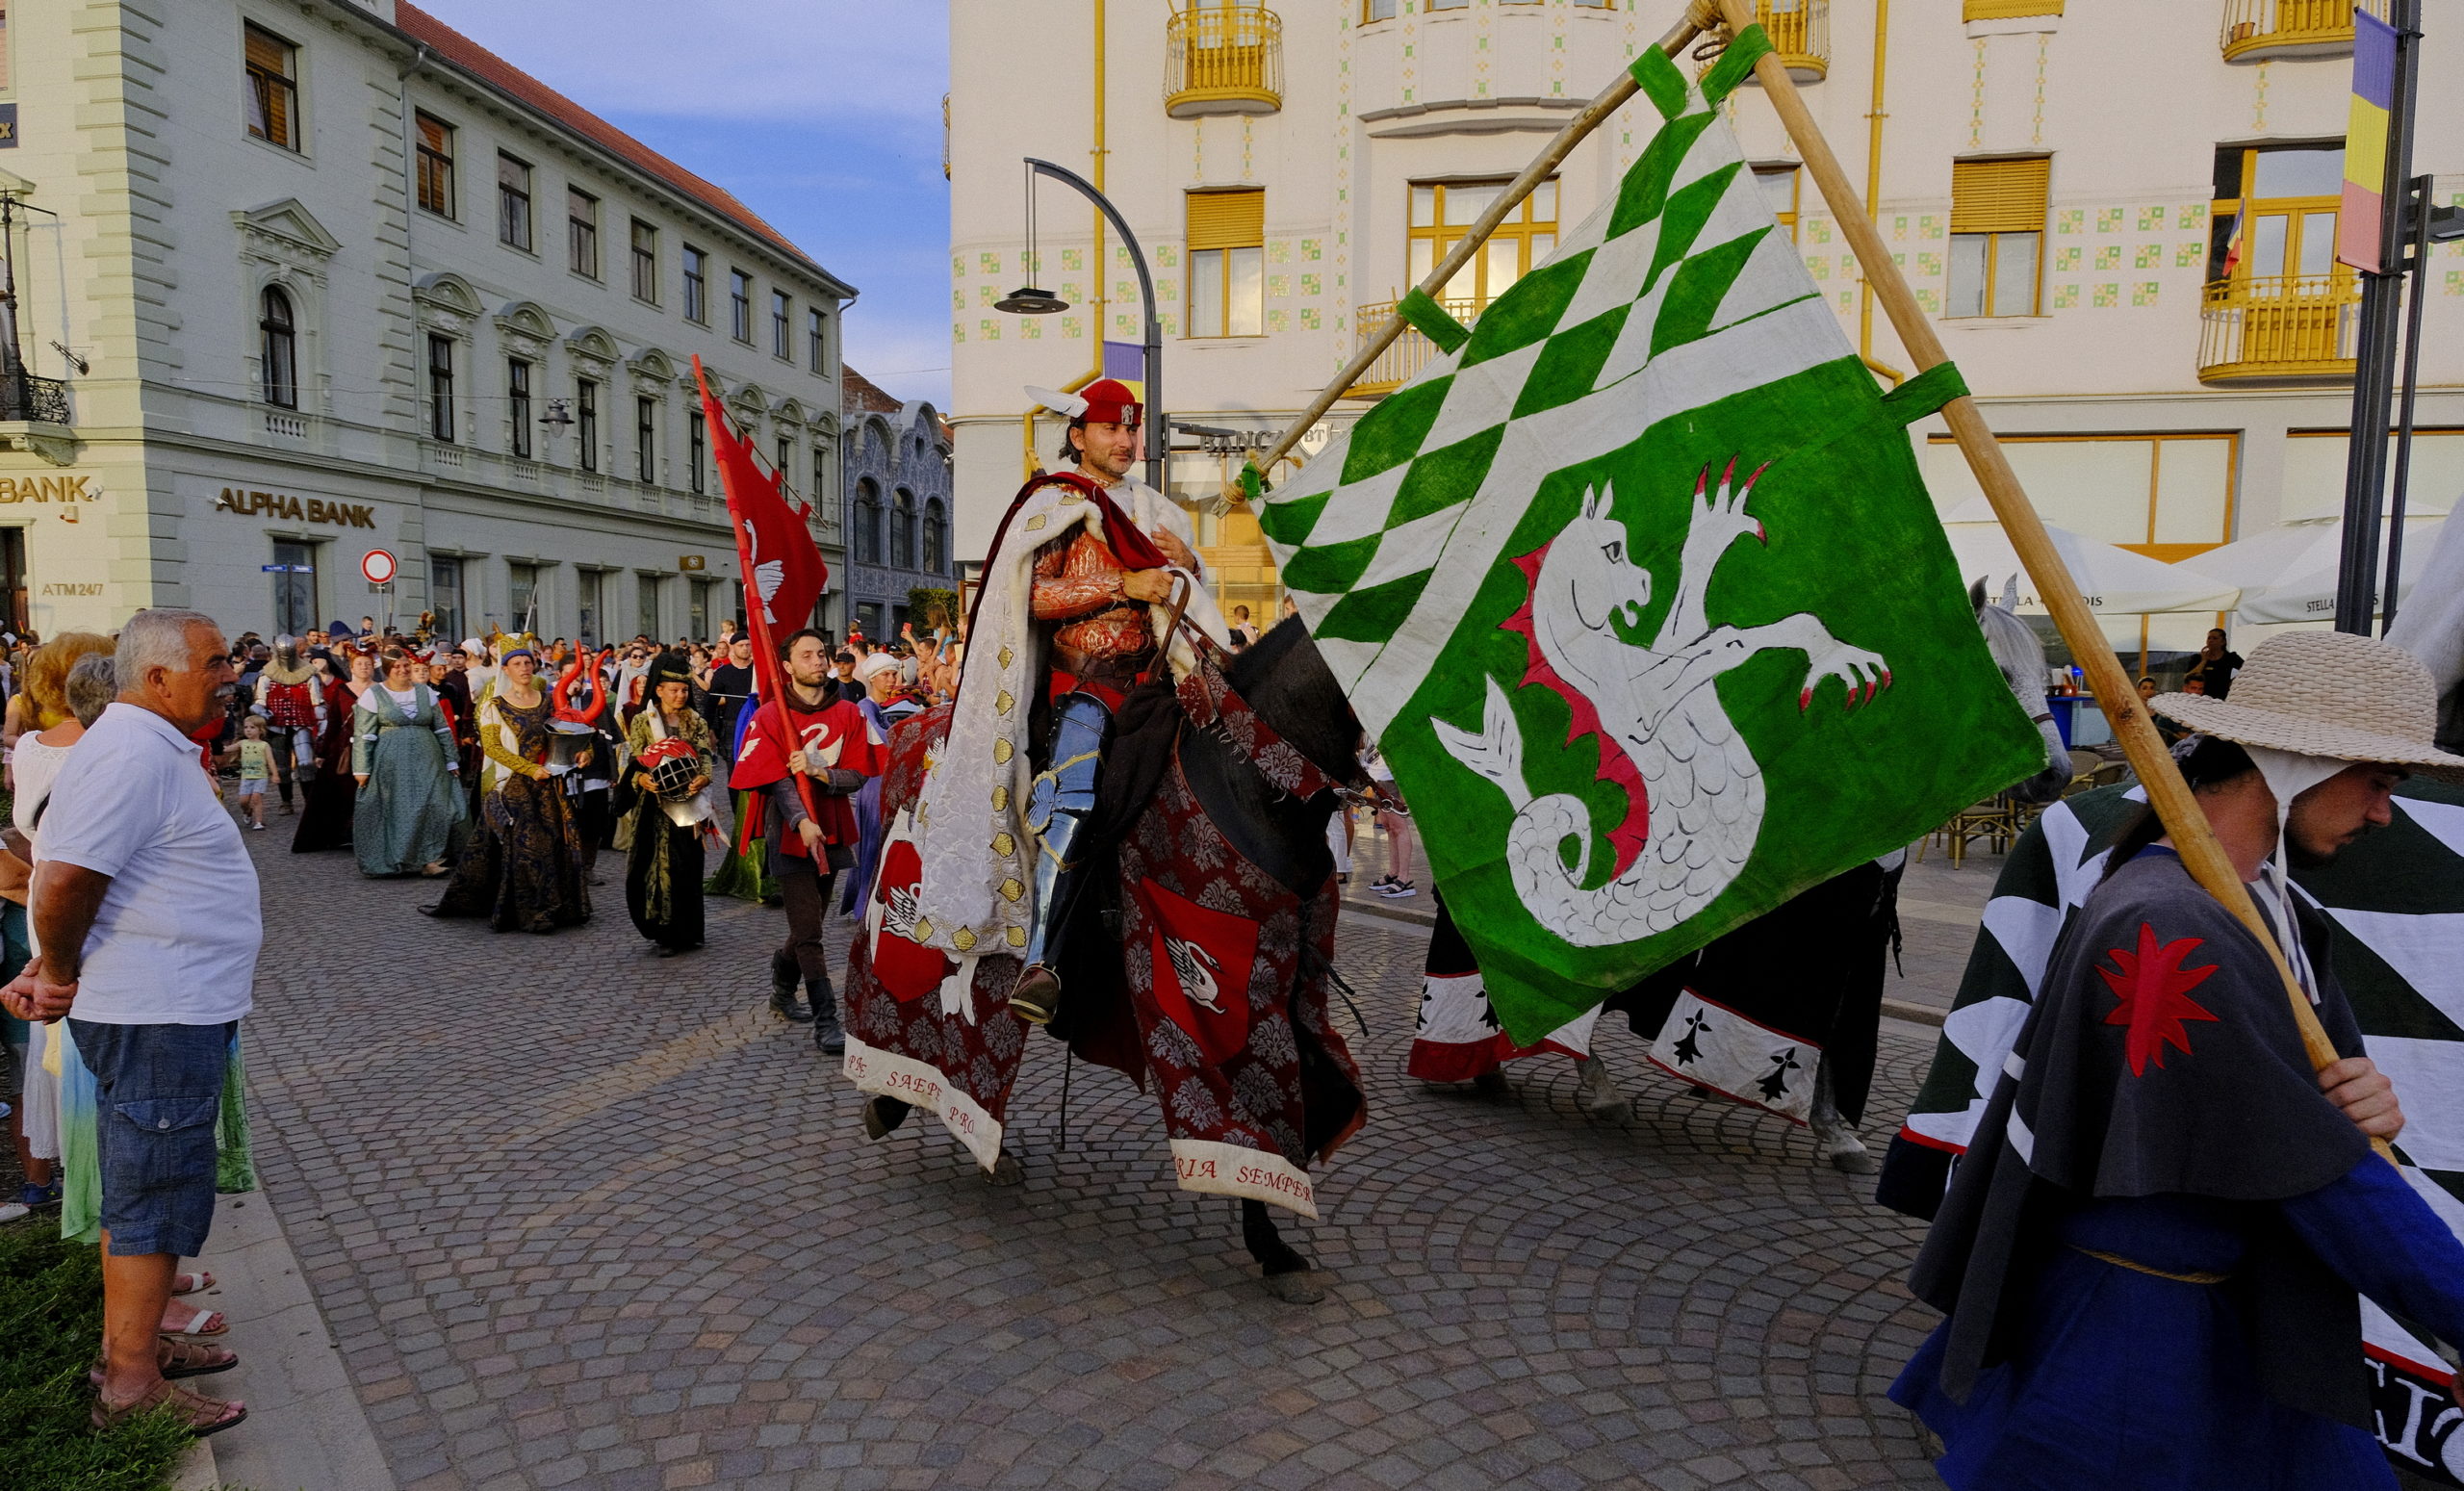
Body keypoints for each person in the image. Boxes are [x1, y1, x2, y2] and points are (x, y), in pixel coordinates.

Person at [1890, 630, 2464, 1489]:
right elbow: (2316, 1171)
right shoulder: (2169, 927)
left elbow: (2309, 1115)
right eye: (2375, 781)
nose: (2385, 812)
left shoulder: (2265, 906)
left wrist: (2361, 1100)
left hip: (2229, 1319)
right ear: (2296, 765)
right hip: (2134, 1345)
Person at [1, 609, 256, 1435]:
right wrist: (60, 969)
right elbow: (67, 878)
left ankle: (138, 1349)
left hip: (168, 1007)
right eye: (215, 662)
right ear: (157, 677)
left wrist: (49, 965)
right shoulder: (132, 754)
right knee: (154, 1195)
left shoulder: (142, 747)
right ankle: (131, 1381)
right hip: (157, 1014)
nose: (231, 672)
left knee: (153, 1189)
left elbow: (78, 875)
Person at [908, 376, 1219, 1027]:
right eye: (1112, 428)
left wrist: (1189, 563)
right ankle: (1043, 961)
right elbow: (1031, 595)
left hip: (1153, 685)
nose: (1126, 440)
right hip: (1082, 687)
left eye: (1132, 428)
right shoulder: (1055, 504)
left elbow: (1185, 592)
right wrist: (1120, 584)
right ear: (1079, 435)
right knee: (1071, 802)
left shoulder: (1159, 512)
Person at [731, 628, 883, 1047]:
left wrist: (821, 773)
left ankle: (781, 988)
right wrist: (800, 820)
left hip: (832, 828)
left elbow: (857, 774)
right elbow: (774, 779)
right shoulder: (771, 715)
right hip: (791, 834)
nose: (817, 662)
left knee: (806, 924)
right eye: (807, 656)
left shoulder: (850, 714)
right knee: (810, 932)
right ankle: (827, 1021)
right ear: (787, 665)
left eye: (822, 654)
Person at [424, 645, 591, 933]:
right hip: (516, 783)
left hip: (551, 781)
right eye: (518, 664)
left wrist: (585, 752)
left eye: (529, 662)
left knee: (557, 842)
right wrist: (529, 769)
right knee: (529, 846)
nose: (525, 668)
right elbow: (493, 748)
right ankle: (534, 911)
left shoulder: (550, 701)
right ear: (506, 669)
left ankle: (561, 905)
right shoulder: (495, 705)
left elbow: (571, 733)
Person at [621, 654, 718, 956]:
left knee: (690, 865)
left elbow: (704, 754)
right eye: (674, 690)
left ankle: (690, 930)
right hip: (656, 807)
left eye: (685, 690)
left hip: (690, 802)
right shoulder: (642, 721)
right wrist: (641, 781)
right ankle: (665, 932)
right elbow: (636, 759)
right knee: (662, 866)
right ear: (658, 690)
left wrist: (704, 777)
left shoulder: (695, 719)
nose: (680, 695)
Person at [350, 646, 464, 877]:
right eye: (396, 667)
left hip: (428, 757)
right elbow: (364, 734)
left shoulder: (425, 692)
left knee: (433, 804)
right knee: (398, 808)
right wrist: (361, 768)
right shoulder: (374, 695)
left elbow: (442, 728)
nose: (402, 670)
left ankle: (429, 859)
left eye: (405, 665)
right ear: (387, 670)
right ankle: (399, 858)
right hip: (391, 760)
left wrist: (452, 760)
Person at [291, 649, 368, 853]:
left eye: (368, 664)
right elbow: (333, 722)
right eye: (360, 664)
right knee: (343, 791)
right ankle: (345, 833)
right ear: (351, 668)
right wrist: (322, 753)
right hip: (345, 748)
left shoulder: (381, 690)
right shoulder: (343, 690)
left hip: (374, 746)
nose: (364, 667)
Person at [250, 636, 323, 814]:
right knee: (282, 767)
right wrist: (261, 712)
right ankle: (286, 802)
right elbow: (259, 702)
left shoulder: (308, 674)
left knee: (306, 764)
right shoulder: (266, 675)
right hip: (276, 725)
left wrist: (322, 724)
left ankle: (310, 802)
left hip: (301, 723)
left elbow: (317, 702)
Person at [225, 717, 273, 831]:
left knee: (256, 798)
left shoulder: (264, 745)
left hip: (260, 776)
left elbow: (270, 760)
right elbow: (229, 749)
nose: (248, 730)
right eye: (246, 727)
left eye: (252, 727)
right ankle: (247, 812)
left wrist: (275, 774)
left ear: (260, 730)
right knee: (243, 801)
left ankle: (259, 822)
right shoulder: (242, 743)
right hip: (246, 777)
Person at [2186, 628, 2245, 700]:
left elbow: (2247, 670)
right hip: (2199, 697)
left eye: (2215, 638)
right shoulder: (2197, 658)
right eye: (2209, 638)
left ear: (2223, 642)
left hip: (2222, 697)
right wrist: (2203, 661)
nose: (2211, 641)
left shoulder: (2231, 657)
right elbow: (2188, 677)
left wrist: (2234, 682)